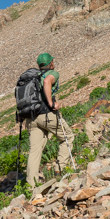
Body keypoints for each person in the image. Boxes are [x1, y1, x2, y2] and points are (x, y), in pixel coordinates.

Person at [26, 53, 72, 187]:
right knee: (67, 137)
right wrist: (51, 103)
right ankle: (60, 169)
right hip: (46, 115)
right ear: (50, 63)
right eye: (52, 61)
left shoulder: (32, 77)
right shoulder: (52, 73)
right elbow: (47, 82)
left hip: (31, 118)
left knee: (34, 151)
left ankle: (31, 185)